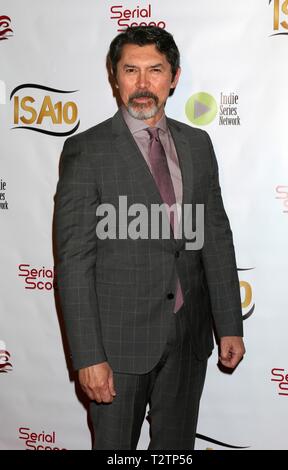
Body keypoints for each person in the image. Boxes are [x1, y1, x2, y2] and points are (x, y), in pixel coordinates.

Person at [54, 25, 245, 450]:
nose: (143, 84)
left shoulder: (198, 145)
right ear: (114, 76)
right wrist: (88, 356)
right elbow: (74, 261)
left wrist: (229, 324)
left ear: (174, 77)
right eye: (131, 70)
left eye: (155, 70)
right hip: (117, 348)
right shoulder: (87, 151)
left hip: (189, 339)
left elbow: (215, 236)